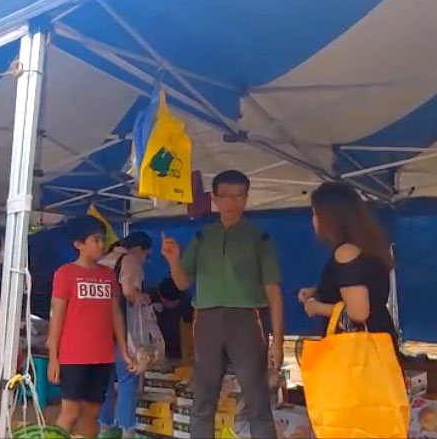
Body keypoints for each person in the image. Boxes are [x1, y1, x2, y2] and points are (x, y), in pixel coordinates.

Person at [161, 170, 283, 439]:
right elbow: (182, 283)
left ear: (246, 198)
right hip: (207, 322)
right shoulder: (202, 238)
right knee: (203, 398)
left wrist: (278, 341)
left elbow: (273, 291)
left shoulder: (259, 239)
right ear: (214, 198)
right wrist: (172, 259)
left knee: (257, 399)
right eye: (225, 196)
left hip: (246, 322)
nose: (232, 202)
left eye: (238, 195)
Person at [48, 216, 135, 438]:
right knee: (70, 412)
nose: (100, 245)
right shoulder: (65, 273)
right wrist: (53, 356)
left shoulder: (107, 275)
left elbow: (116, 314)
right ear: (78, 244)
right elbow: (57, 315)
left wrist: (124, 350)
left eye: (101, 240)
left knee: (91, 413)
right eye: (95, 240)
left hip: (103, 356)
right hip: (73, 356)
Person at [297, 182, 397, 345]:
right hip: (378, 341)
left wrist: (316, 307)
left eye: (315, 214)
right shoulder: (367, 245)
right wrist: (317, 291)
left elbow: (358, 312)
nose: (313, 220)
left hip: (358, 352)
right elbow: (361, 287)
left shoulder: (346, 252)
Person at [97, 232, 152, 439]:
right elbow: (129, 293)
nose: (144, 259)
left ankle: (104, 427)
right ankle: (126, 429)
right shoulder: (128, 261)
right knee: (128, 378)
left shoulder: (102, 260)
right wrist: (143, 298)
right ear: (138, 249)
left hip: (99, 332)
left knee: (106, 381)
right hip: (121, 332)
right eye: (146, 255)